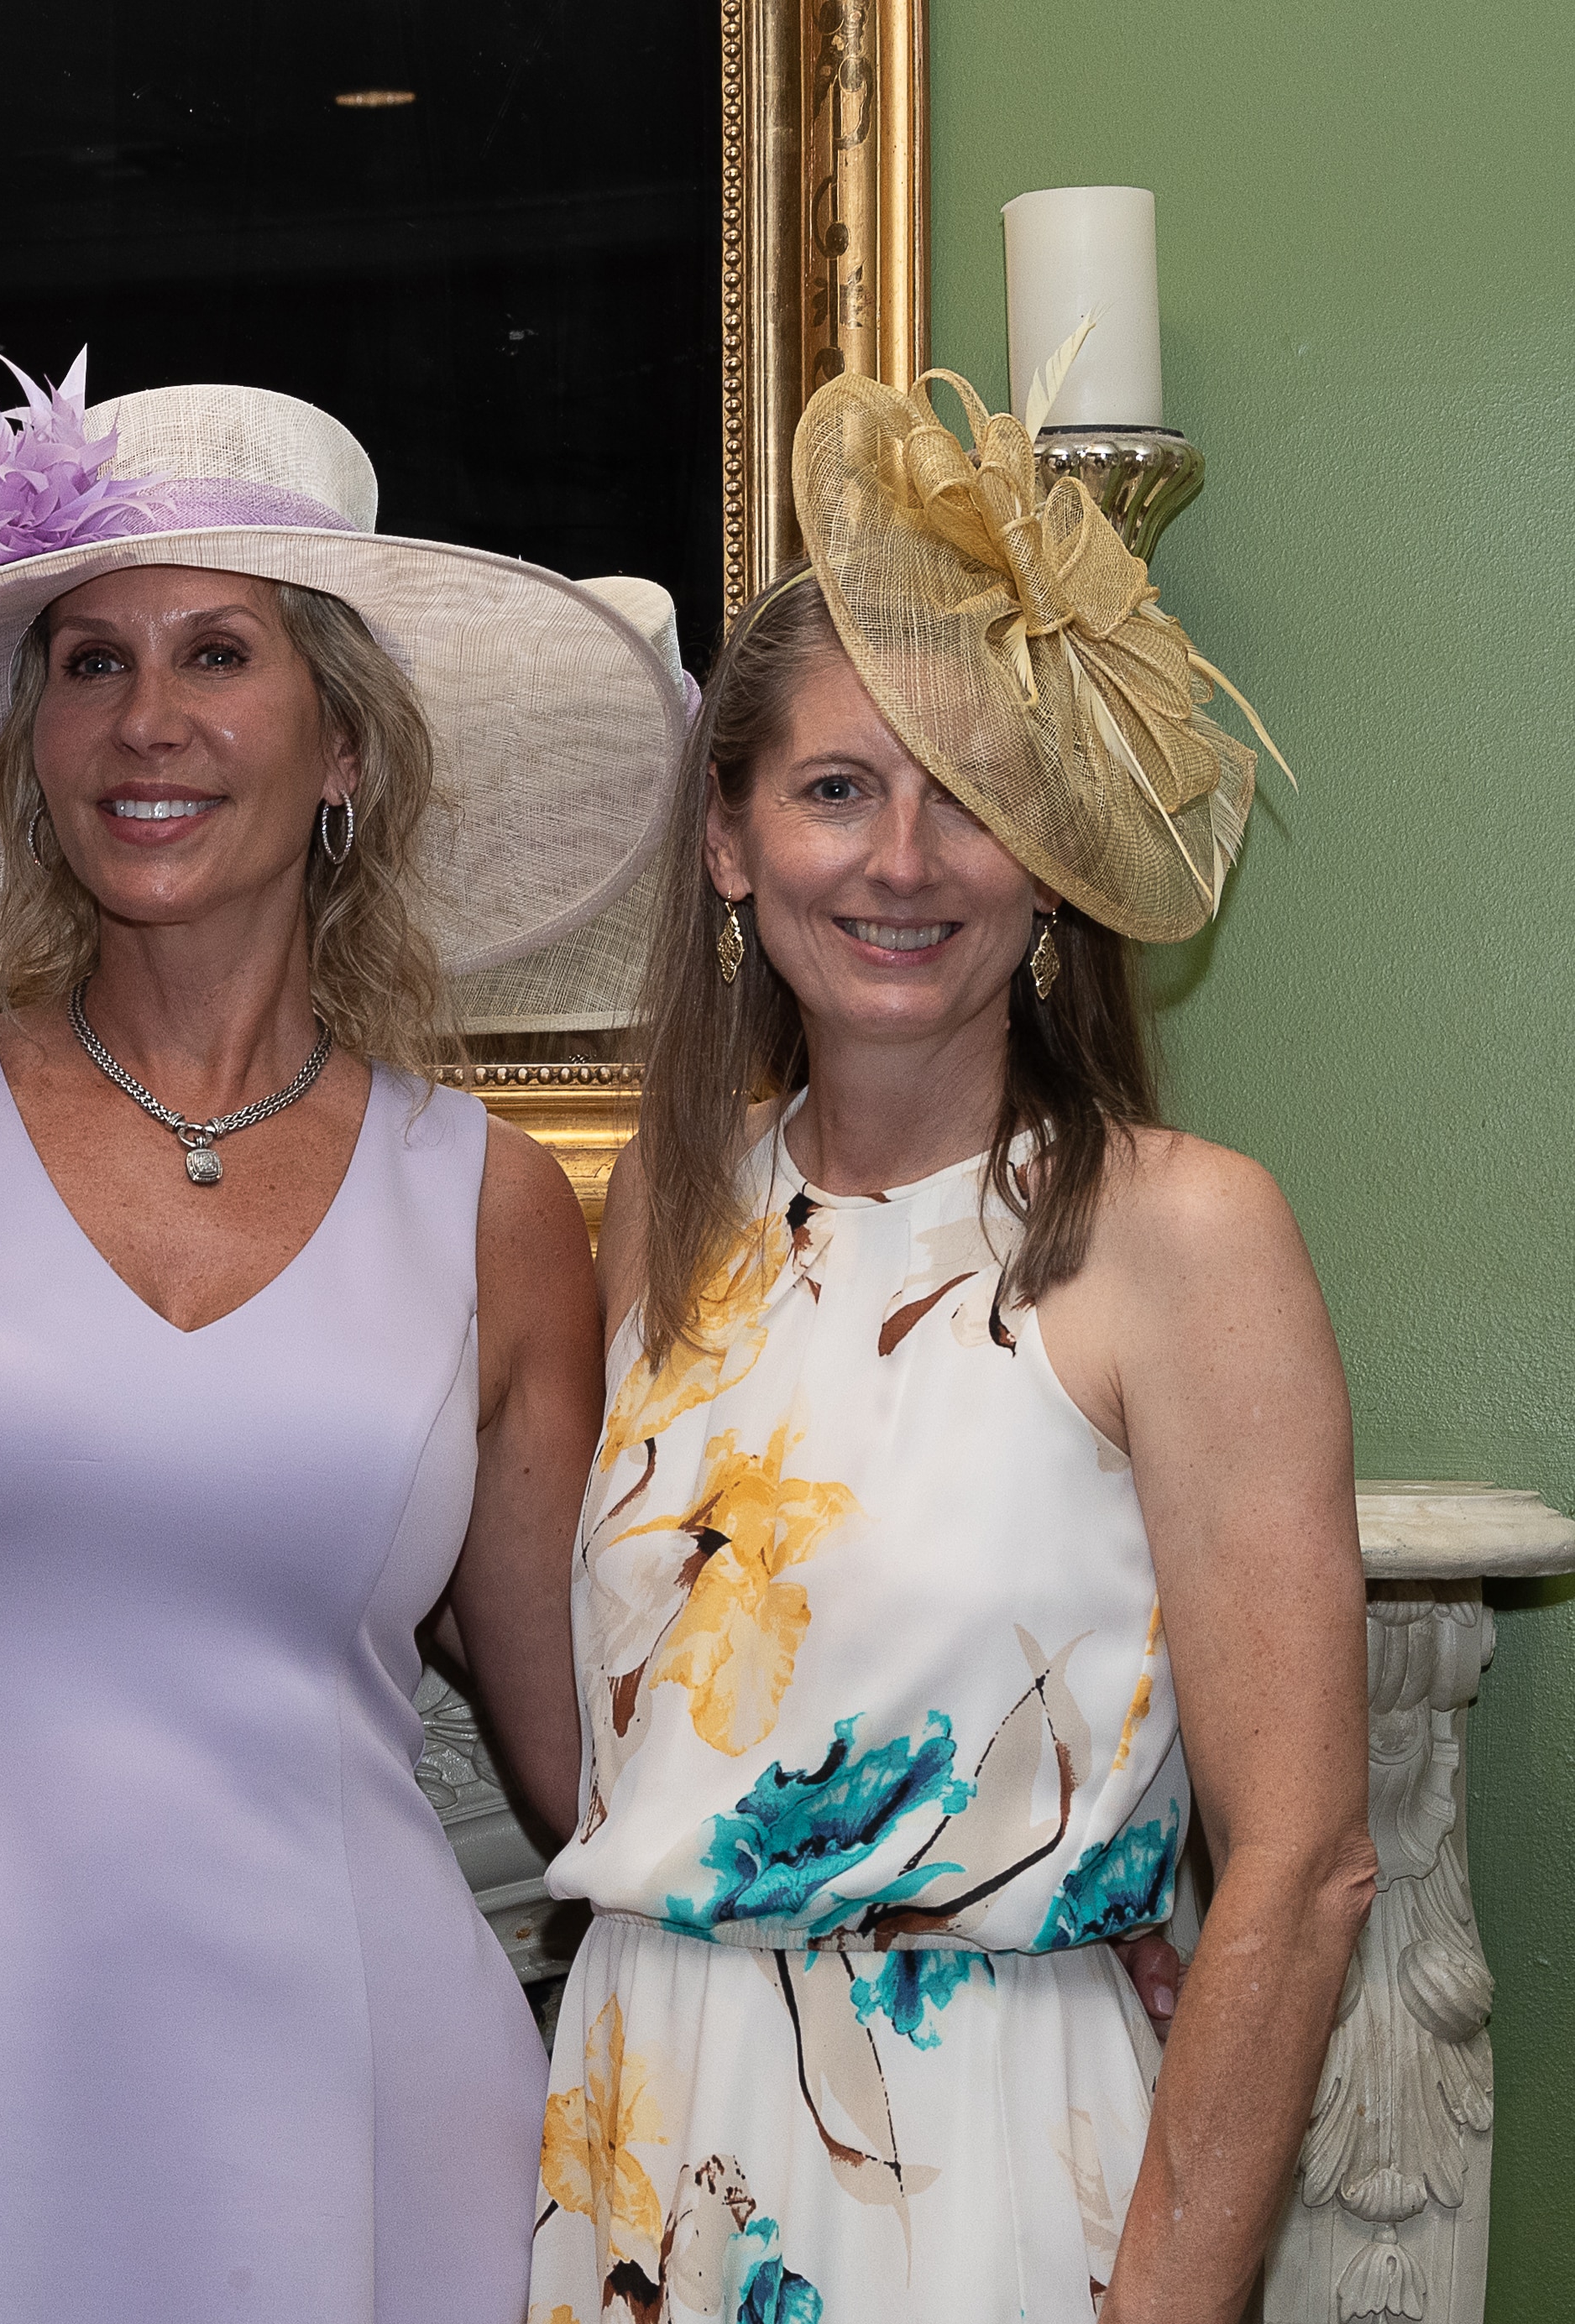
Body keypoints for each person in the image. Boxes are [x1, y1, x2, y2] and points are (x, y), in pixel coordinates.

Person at [0, 362, 689, 2321]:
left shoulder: (488, 1203)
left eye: (218, 652)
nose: (147, 718)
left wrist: (951, 1898)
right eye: (90, 662)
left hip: (360, 2126)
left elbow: (588, 1761)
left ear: (342, 746)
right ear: (32, 748)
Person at [529, 369, 1373, 2324]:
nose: (902, 858)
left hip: (981, 2159)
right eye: (836, 788)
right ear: (729, 838)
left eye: (973, 794)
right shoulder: (668, 1209)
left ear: (1050, 852)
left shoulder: (1180, 1233)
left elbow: (1306, 1859)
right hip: (643, 2132)